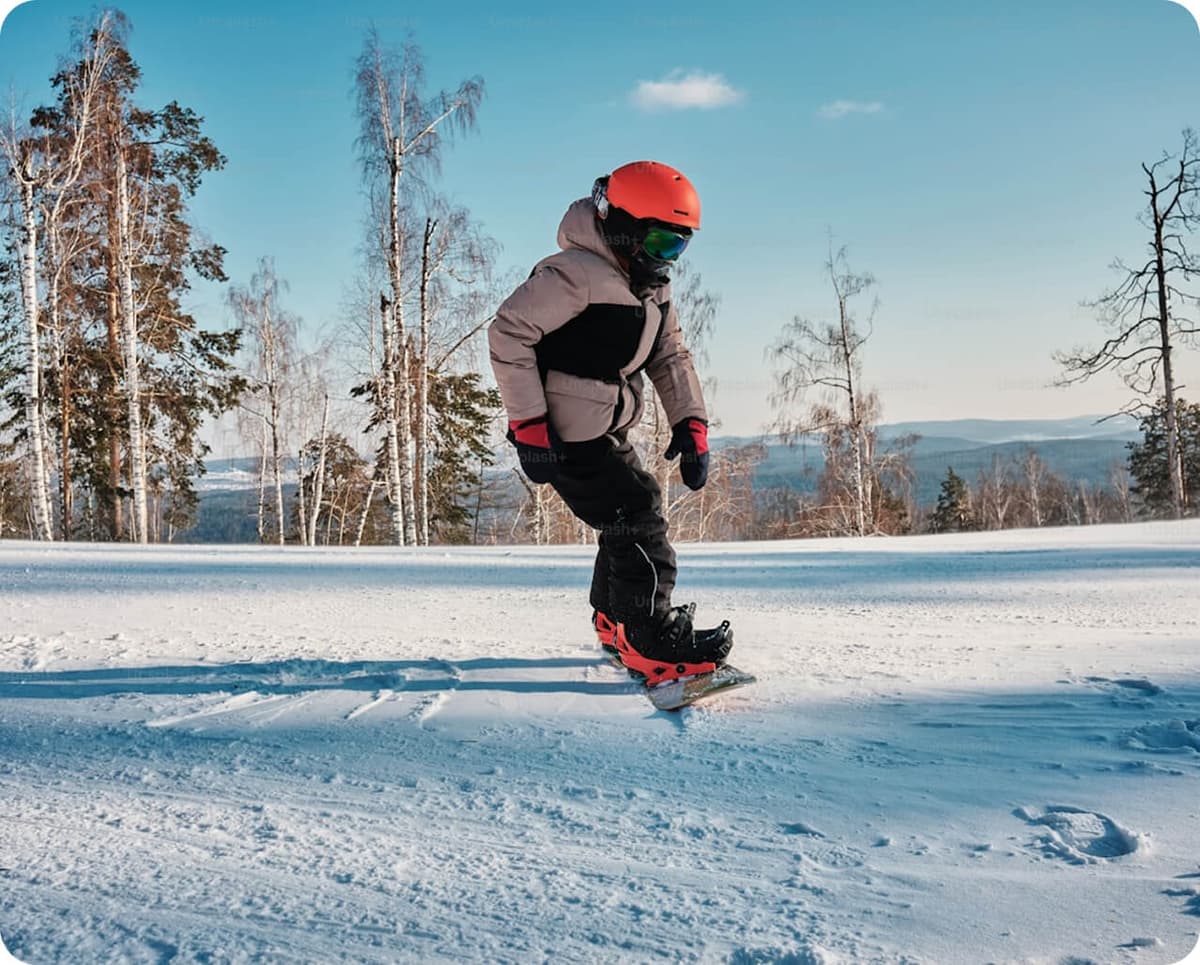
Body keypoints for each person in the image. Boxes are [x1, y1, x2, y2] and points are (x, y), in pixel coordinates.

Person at [488, 160, 733, 686]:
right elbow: (508, 334)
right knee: (639, 519)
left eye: (681, 246)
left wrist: (691, 423)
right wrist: (529, 426)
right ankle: (650, 639)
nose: (670, 260)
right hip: (563, 437)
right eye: (665, 243)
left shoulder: (648, 285)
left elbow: (670, 354)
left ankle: (616, 618)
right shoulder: (574, 275)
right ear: (626, 228)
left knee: (624, 518)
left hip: (604, 430)